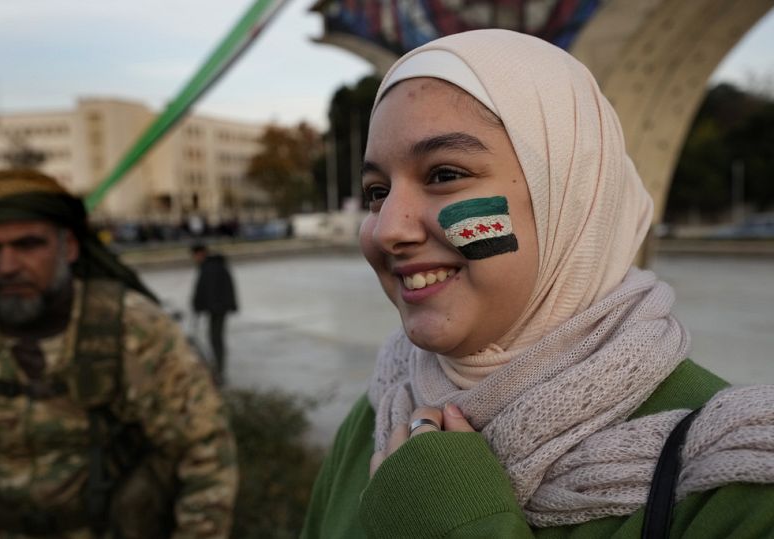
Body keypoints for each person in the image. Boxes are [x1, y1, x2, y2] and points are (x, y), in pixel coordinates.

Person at [301, 29, 774, 537]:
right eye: (377, 191)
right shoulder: (379, 414)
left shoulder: (735, 476)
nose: (389, 228)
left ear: (567, 197)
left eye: (443, 174)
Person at [0, 169, 238, 538]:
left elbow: (206, 454)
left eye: (28, 244)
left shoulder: (132, 329)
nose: (7, 266)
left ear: (71, 247)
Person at [191, 242, 238, 381]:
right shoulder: (212, 265)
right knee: (214, 339)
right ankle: (218, 369)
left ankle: (219, 371)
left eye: (195, 256)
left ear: (200, 253)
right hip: (217, 308)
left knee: (216, 339)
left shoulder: (211, 267)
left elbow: (209, 291)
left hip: (217, 309)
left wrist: (200, 306)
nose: (195, 259)